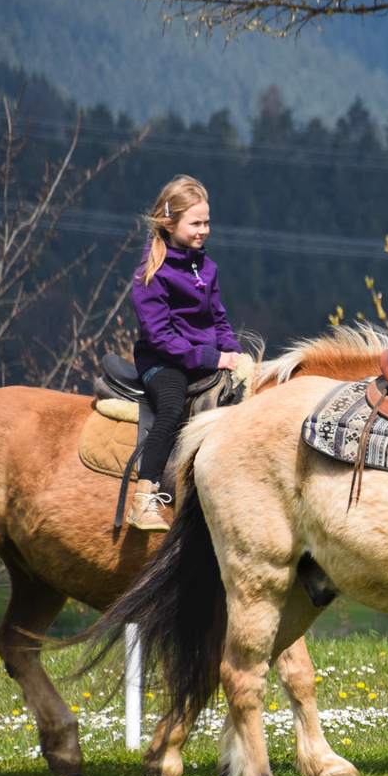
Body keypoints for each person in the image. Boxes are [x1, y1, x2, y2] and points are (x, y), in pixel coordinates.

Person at [127, 175, 241, 531]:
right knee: (173, 407)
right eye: (195, 223)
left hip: (204, 357)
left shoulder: (207, 268)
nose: (203, 229)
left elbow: (219, 320)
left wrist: (234, 354)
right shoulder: (151, 273)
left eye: (206, 222)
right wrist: (212, 359)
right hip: (162, 362)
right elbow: (161, 338)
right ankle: (144, 497)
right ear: (169, 222)